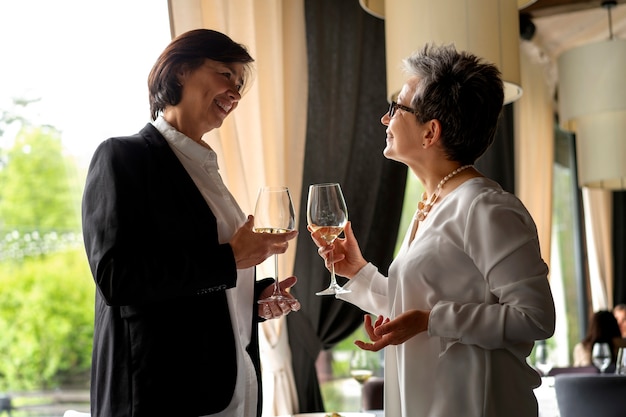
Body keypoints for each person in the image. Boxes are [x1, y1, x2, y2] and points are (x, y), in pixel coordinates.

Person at [309, 44, 556, 417]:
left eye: (397, 108)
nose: (384, 119)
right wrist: (358, 272)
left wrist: (432, 320)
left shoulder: (486, 207)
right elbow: (416, 307)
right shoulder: (433, 204)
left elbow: (535, 317)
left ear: (430, 133)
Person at [82, 29, 300, 417]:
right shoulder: (123, 157)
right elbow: (117, 278)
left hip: (232, 387)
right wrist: (230, 258)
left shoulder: (205, 169)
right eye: (225, 74)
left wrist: (253, 297)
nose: (235, 90)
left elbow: (199, 281)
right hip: (165, 396)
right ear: (180, 71)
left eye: (240, 82)